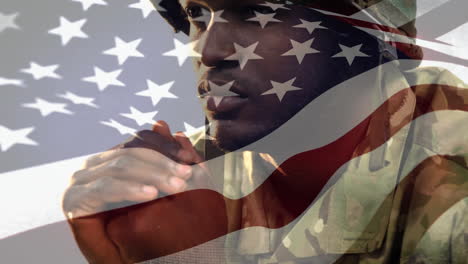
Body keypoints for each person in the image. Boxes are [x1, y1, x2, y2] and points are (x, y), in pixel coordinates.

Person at [62, 0, 468, 263]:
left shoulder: (455, 197)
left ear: (376, 36)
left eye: (256, 13)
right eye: (197, 16)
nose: (208, 51)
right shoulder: (179, 183)